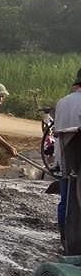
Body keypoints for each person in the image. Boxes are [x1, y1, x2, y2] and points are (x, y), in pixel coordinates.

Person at [54, 69, 81, 253]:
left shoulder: (62, 102)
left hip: (64, 157)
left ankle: (65, 238)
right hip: (78, 159)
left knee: (66, 198)